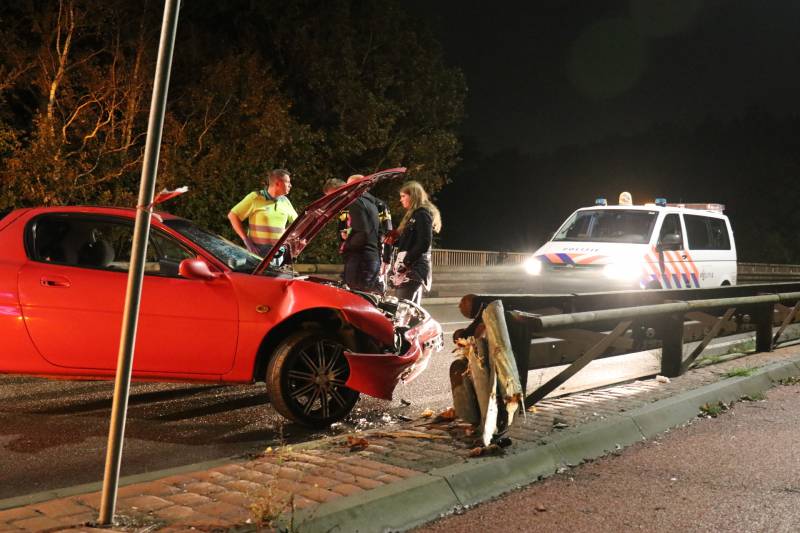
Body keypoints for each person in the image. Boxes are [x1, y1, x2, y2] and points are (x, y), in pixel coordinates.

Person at [389, 180, 442, 305]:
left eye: (403, 196)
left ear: (413, 196)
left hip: (413, 270)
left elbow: (424, 242)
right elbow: (411, 242)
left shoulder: (422, 214)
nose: (401, 200)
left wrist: (405, 264)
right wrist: (395, 239)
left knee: (402, 311)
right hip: (413, 269)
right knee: (410, 312)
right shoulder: (415, 215)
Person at [228, 169, 297, 256]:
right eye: (288, 182)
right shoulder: (255, 197)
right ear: (278, 183)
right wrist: (246, 241)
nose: (290, 185)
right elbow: (233, 215)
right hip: (257, 252)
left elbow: (297, 221)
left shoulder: (285, 201)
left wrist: (286, 237)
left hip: (278, 252)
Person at [338, 175, 382, 291]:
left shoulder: (355, 203)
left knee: (354, 298)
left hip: (360, 260)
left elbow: (362, 232)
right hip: (372, 257)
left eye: (349, 186)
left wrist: (346, 246)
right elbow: (379, 232)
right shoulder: (372, 204)